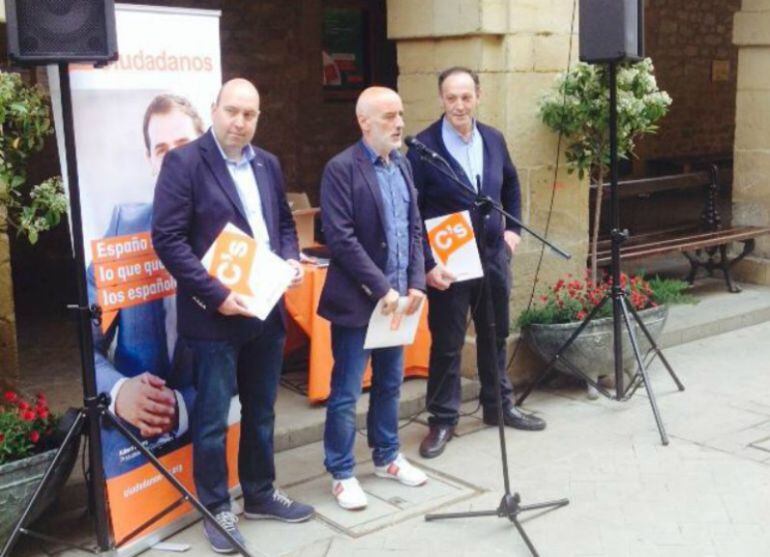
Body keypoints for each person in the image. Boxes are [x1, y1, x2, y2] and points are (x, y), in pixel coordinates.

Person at [152, 78, 313, 553]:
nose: (240, 122)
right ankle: (216, 506)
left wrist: (291, 260)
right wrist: (215, 293)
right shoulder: (184, 163)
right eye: (233, 111)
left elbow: (282, 224)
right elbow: (168, 239)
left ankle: (260, 494)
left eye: (250, 115)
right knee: (212, 420)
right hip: (215, 316)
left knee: (262, 411)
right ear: (215, 109)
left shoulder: (268, 163)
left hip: (265, 310)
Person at [407, 67, 547, 460]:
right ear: (441, 100)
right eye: (451, 98)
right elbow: (412, 211)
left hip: (492, 255)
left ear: (478, 96)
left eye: (466, 97)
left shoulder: (493, 138)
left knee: (495, 334)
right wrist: (428, 263)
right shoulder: (422, 147)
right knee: (448, 343)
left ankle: (498, 406)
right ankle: (442, 418)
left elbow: (512, 185)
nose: (459, 105)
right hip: (449, 262)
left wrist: (512, 233)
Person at [318, 86, 428, 511]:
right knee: (346, 392)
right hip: (360, 302)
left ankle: (386, 457)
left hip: (398, 302)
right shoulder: (341, 169)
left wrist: (416, 281)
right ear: (364, 122)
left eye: (400, 114)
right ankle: (342, 472)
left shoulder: (402, 165)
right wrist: (381, 288)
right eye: (388, 116)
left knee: (390, 383)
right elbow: (341, 238)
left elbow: (413, 226)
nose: (399, 123)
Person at [88, 94, 205, 478]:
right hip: (134, 454)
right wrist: (119, 392)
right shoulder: (126, 229)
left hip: (210, 443)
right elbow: (82, 341)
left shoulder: (233, 237)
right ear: (150, 161)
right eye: (161, 149)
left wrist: (183, 404)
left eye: (183, 145)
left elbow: (255, 364)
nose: (172, 158)